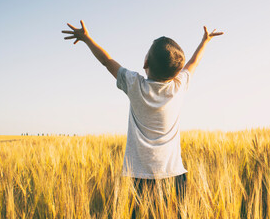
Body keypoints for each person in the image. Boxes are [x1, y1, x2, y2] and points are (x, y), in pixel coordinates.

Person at [62, 21, 223, 217]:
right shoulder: (179, 87)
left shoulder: (134, 85)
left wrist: (87, 38)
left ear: (145, 63)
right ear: (175, 73)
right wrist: (205, 41)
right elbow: (194, 62)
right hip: (174, 174)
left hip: (139, 176)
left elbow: (106, 60)